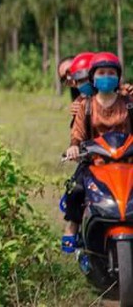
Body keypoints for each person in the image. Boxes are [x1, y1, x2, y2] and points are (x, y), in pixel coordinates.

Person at [61, 52, 133, 253]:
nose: (106, 76)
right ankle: (72, 227)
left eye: (111, 72)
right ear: (94, 76)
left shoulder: (128, 101)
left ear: (118, 76)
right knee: (75, 188)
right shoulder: (86, 105)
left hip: (127, 161)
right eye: (101, 72)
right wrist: (74, 146)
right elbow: (77, 135)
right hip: (95, 163)